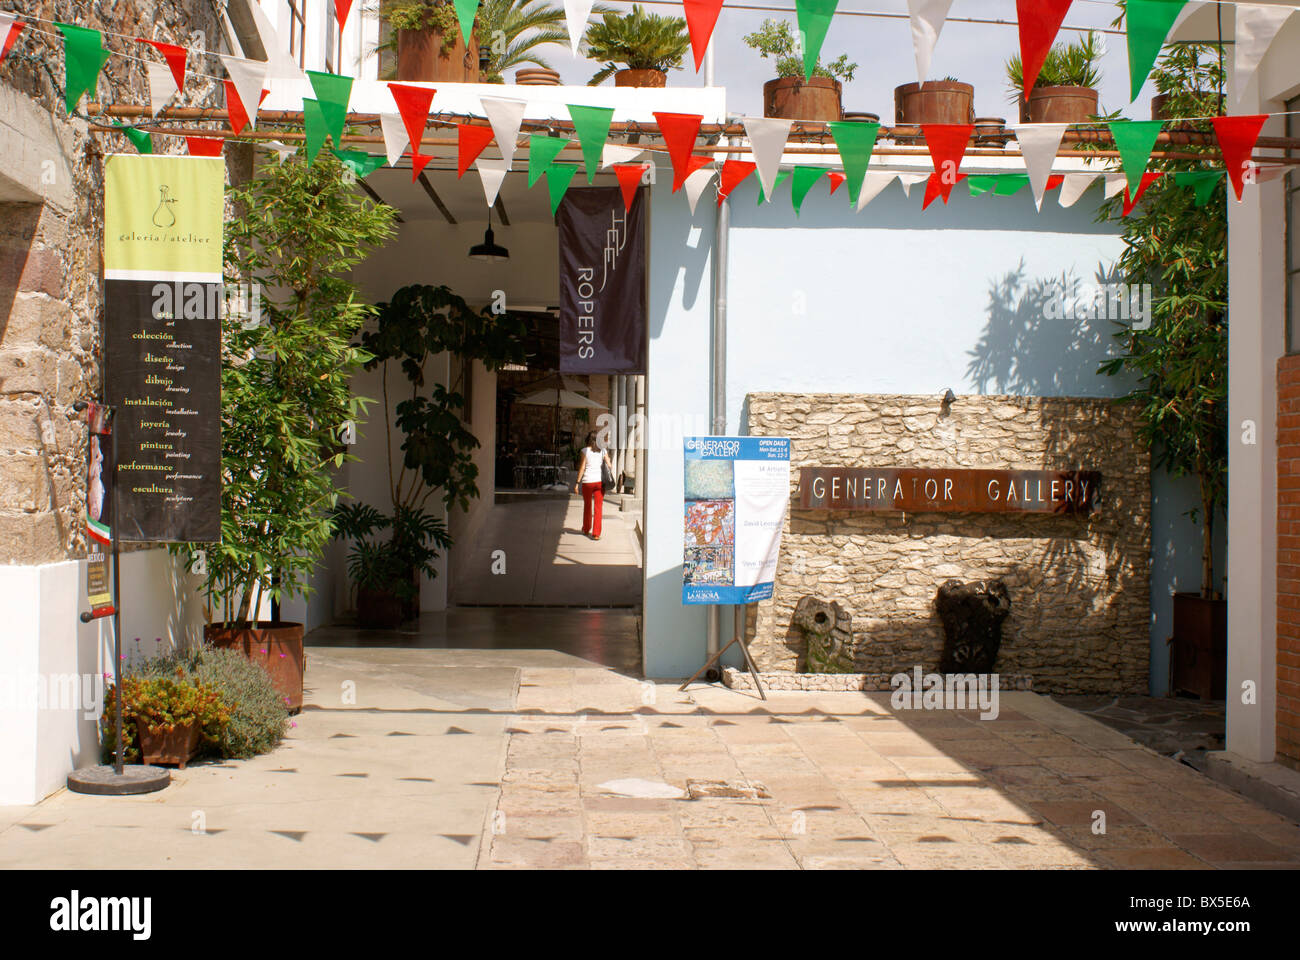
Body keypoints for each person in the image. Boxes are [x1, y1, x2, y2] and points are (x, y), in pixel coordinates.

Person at [573, 431, 613, 540]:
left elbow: (582, 468)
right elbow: (609, 466)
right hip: (599, 482)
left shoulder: (585, 451)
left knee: (587, 506)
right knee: (598, 508)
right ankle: (596, 534)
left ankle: (586, 529)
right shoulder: (603, 451)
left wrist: (577, 483)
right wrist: (607, 461)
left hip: (587, 482)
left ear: (589, 439)